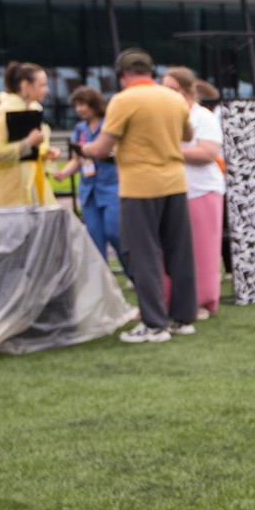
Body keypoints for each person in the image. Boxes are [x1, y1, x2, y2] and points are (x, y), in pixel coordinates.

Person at [82, 49, 195, 343]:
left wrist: (84, 149)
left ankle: (154, 324)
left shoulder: (123, 100)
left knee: (142, 254)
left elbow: (102, 147)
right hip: (175, 181)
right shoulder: (174, 98)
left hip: (139, 185)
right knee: (179, 252)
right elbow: (186, 135)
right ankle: (183, 318)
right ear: (151, 71)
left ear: (122, 75)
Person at [166, 68, 225, 315]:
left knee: (203, 250)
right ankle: (169, 300)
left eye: (173, 89)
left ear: (187, 91)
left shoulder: (204, 117)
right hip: (173, 190)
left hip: (202, 191)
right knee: (170, 250)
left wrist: (168, 151)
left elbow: (208, 153)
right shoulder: (166, 116)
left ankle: (203, 301)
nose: (167, 94)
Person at [0, 62, 54, 208]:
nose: (47, 90)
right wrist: (28, 143)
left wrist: (45, 153)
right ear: (26, 85)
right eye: (42, 85)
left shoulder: (34, 109)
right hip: (10, 193)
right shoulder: (1, 113)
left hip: (34, 189)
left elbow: (34, 153)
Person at [67, 84, 120, 269]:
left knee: (115, 232)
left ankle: (133, 273)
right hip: (89, 190)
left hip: (111, 186)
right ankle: (103, 282)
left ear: (94, 104)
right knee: (95, 238)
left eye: (83, 104)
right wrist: (64, 172)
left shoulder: (109, 125)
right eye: (76, 105)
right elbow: (78, 157)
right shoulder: (80, 129)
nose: (79, 109)